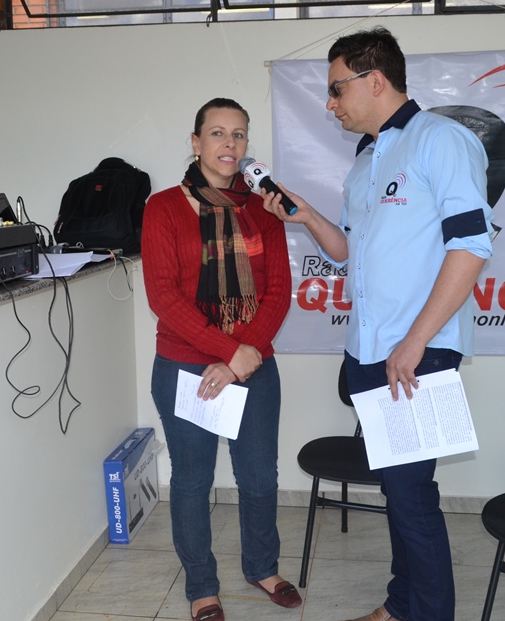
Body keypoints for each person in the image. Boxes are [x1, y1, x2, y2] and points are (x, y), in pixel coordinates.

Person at [261, 27, 494, 621]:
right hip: (368, 352)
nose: (330, 103)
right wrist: (306, 216)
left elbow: (470, 245)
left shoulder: (441, 140)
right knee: (396, 491)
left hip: (419, 352)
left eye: (337, 89)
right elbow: (347, 250)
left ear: (375, 80)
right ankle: (399, 605)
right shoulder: (365, 160)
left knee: (412, 497)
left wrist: (415, 341)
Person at [141, 97, 299, 621]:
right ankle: (202, 587)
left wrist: (238, 360)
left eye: (238, 134)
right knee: (192, 480)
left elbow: (278, 291)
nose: (229, 144)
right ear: (196, 142)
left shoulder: (263, 209)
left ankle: (262, 567)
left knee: (259, 477)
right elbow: (163, 296)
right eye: (217, 133)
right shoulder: (163, 207)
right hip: (186, 367)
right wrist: (230, 351)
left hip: (252, 367)